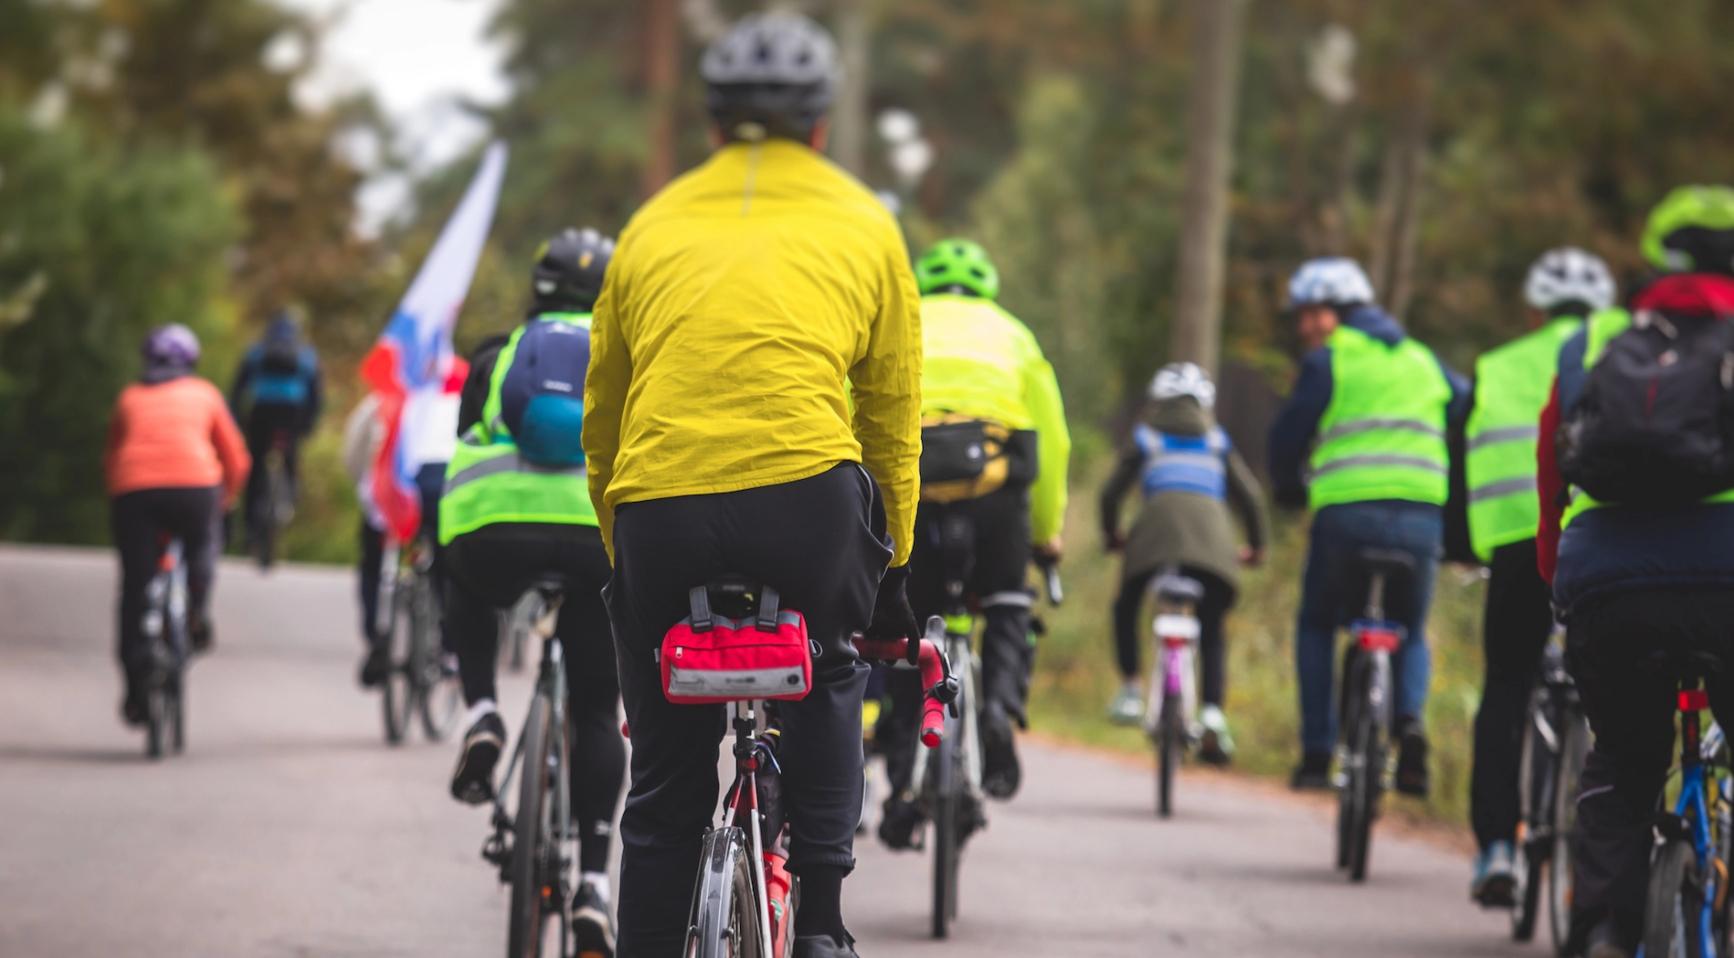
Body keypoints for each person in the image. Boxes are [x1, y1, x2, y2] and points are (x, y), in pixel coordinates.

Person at [582, 13, 922, 958]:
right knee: (832, 665)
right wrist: (892, 573)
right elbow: (891, 418)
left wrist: (628, 561)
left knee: (663, 787)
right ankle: (819, 922)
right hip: (807, 505)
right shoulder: (865, 222)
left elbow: (602, 419)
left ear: (711, 122)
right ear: (820, 124)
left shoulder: (649, 225)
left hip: (660, 507)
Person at [1538, 186, 1734, 958]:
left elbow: (1552, 470)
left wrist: (1561, 577)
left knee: (1622, 759)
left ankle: (1604, 937)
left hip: (1608, 581)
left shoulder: (1590, 343)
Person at [440, 227, 626, 956]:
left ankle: (482, 712)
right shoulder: (627, 355)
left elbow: (464, 442)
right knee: (596, 709)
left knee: (463, 581)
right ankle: (595, 884)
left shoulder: (498, 353)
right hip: (595, 531)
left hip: (497, 521)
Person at [874, 238, 1069, 848]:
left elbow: (865, 412)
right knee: (1010, 600)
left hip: (918, 490)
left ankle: (904, 779)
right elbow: (1052, 444)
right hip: (994, 496)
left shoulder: (902, 323)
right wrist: (1046, 531)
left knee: (909, 626)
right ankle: (998, 712)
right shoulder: (1015, 335)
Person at [1267, 257, 1469, 795]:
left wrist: (1287, 486)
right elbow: (1465, 403)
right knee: (1410, 626)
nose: (1304, 328)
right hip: (1422, 514)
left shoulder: (1330, 361)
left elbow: (1289, 432)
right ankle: (1408, 722)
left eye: (1310, 315)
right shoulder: (1423, 359)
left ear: (1337, 313)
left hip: (1346, 516)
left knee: (1315, 623)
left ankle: (1316, 753)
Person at [1462, 248, 1614, 907]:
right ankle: (1608, 859)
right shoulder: (1621, 352)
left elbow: (1462, 455)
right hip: (1601, 535)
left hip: (1514, 539)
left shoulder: (1496, 365)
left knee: (1506, 684)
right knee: (1613, 695)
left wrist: (1463, 544)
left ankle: (1497, 846)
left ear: (1532, 310)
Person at [1098, 362, 1268, 762]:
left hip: (1150, 547)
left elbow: (1110, 494)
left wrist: (1112, 535)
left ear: (1159, 402)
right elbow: (1251, 499)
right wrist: (1257, 547)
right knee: (1211, 627)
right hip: (1215, 550)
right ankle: (1211, 710)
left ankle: (1130, 688)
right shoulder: (1217, 441)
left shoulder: (1146, 438)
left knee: (1126, 605)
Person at [105, 325, 250, 724]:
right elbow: (236, 457)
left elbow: (113, 457)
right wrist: (227, 498)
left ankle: (136, 690)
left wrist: (121, 495)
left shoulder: (129, 397)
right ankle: (196, 611)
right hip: (195, 486)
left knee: (135, 587)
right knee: (203, 543)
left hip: (135, 491)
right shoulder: (205, 394)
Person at [230, 308, 323, 550]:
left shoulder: (257, 351)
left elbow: (239, 388)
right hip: (292, 413)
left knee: (255, 467)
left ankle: (250, 528)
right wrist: (309, 424)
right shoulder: (306, 354)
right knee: (291, 456)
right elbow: (315, 394)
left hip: (261, 411)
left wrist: (237, 419)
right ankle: (289, 498)